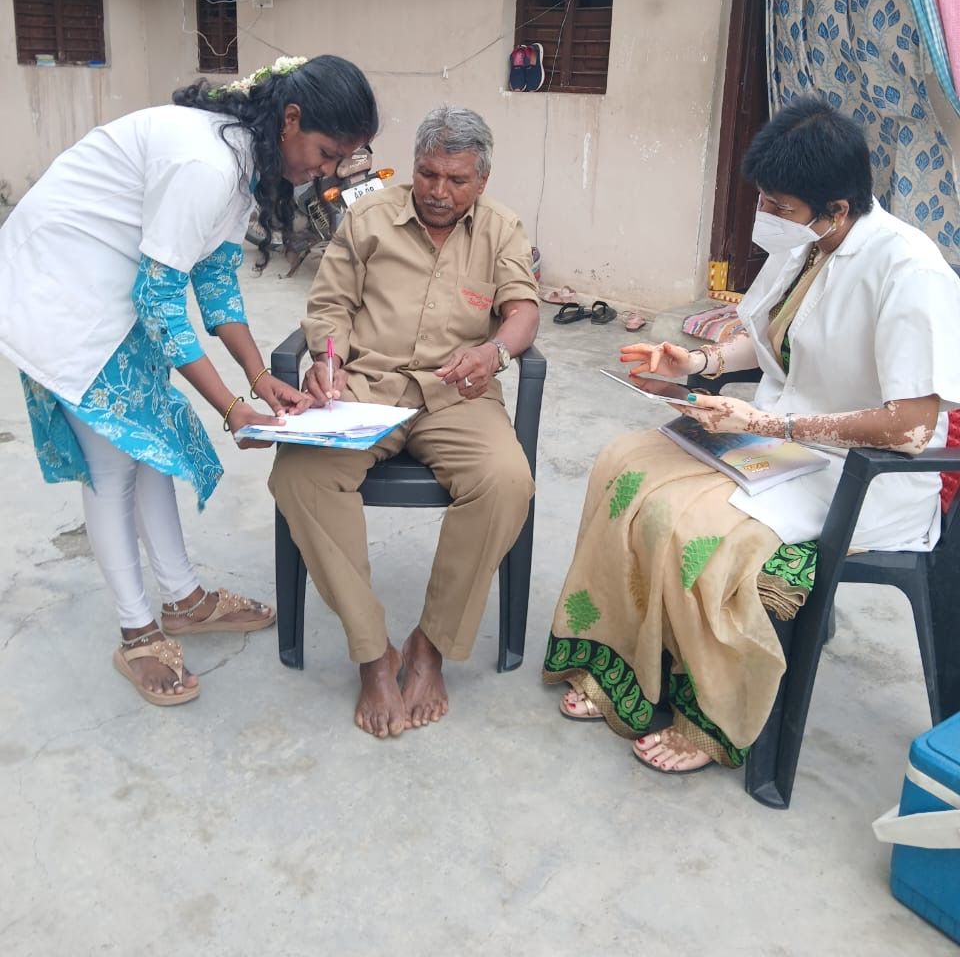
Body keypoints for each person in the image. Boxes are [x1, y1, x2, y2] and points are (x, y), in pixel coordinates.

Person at [544, 97, 960, 774]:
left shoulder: (909, 272)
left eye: (781, 206)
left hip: (859, 473)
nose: (767, 216)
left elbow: (912, 425)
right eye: (765, 199)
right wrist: (696, 364)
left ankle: (710, 715)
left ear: (838, 209)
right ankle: (622, 666)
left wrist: (770, 423)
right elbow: (771, 345)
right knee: (625, 465)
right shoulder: (807, 249)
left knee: (695, 527)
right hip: (779, 444)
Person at [0, 54, 379, 707]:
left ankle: (182, 600)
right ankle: (138, 631)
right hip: (62, 292)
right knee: (115, 464)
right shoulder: (207, 165)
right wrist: (232, 408)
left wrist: (260, 379)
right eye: (324, 152)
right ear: (291, 120)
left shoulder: (242, 161)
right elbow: (159, 299)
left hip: (112, 285)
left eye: (339, 159)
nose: (324, 171)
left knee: (152, 453)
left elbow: (213, 277)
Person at [270, 106, 540, 738]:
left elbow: (523, 312)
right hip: (368, 387)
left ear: (483, 179)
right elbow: (330, 304)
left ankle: (429, 646)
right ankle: (373, 653)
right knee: (300, 474)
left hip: (458, 394)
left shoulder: (501, 229)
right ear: (412, 167)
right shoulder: (367, 217)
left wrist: (495, 353)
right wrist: (327, 361)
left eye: (456, 180)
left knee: (506, 481)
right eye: (427, 174)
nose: (439, 192)